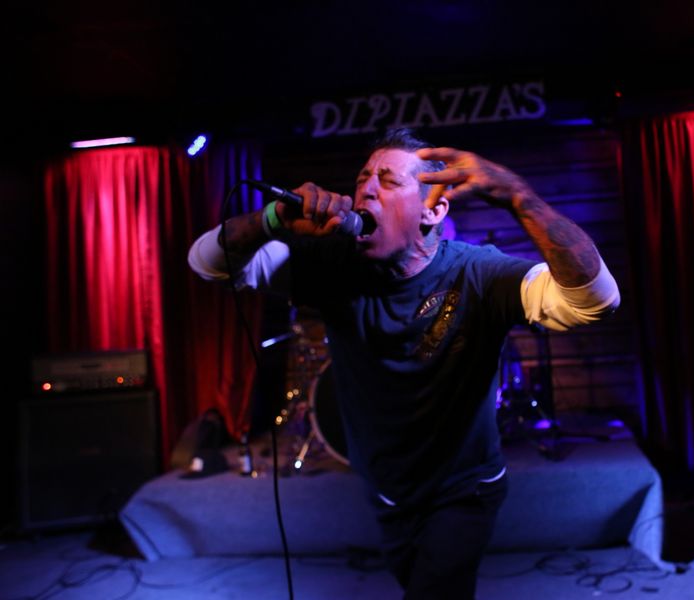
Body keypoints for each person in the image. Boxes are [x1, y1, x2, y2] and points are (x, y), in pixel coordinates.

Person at [188, 128, 620, 599]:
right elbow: (206, 262)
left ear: (433, 211)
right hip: (387, 490)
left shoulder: (479, 273)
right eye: (363, 180)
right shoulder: (333, 263)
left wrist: (520, 197)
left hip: (464, 488)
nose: (367, 190)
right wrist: (273, 218)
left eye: (389, 181)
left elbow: (596, 301)